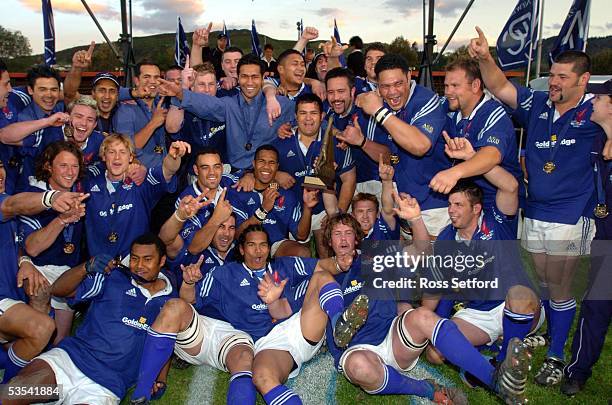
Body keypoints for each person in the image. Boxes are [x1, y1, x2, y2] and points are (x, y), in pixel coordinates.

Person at [469, 27, 603, 385]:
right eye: (553, 74)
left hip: (570, 213)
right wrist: (484, 57)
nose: (554, 82)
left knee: (559, 285)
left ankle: (557, 357)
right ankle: (544, 333)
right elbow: (500, 87)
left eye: (562, 77)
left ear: (583, 80)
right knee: (543, 281)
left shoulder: (596, 110)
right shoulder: (540, 103)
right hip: (536, 209)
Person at [129, 224, 364, 404]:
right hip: (264, 345)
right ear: (241, 249)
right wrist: (189, 283)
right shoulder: (222, 275)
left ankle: (338, 323)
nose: (258, 250)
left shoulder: (284, 266)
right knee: (262, 378)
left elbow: (323, 266)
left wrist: (340, 263)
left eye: (263, 244)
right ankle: (141, 394)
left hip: (294, 328)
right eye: (251, 245)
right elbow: (189, 301)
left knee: (322, 276)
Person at [323, 211, 532, 404]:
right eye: (337, 234)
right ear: (329, 241)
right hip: (356, 348)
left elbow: (421, 251)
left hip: (392, 338)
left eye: (348, 233)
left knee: (422, 316)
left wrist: (415, 218)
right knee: (360, 367)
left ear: (356, 238)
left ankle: (496, 382)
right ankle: (426, 388)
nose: (343, 239)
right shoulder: (321, 272)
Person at [5, 234, 177, 405]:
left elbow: (165, 342)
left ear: (161, 261)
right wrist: (86, 267)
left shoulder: (171, 303)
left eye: (147, 259)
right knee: (13, 393)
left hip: (104, 387)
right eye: (134, 258)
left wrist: (160, 380)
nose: (139, 266)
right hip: (67, 363)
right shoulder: (113, 277)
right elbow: (58, 290)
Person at [0, 172, 86, 384]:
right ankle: (8, 388)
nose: (1, 174)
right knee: (42, 327)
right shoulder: (6, 204)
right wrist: (51, 198)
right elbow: (12, 205)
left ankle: (12, 373)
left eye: (1, 166)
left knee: (40, 294)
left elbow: (17, 245)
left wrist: (25, 262)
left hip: (11, 293)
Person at [356, 54, 451, 237]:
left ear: (409, 77)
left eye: (398, 84)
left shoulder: (425, 100)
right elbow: (392, 153)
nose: (392, 92)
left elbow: (420, 145)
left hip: (433, 208)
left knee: (434, 264)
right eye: (385, 86)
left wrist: (379, 111)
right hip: (405, 206)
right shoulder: (386, 107)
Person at [158, 54, 295, 172]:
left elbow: (304, 127)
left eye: (255, 77)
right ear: (238, 77)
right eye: (244, 76)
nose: (249, 82)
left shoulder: (282, 104)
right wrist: (179, 92)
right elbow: (205, 104)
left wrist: (287, 129)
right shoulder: (228, 104)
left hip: (268, 174)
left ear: (263, 78)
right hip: (233, 177)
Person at [561, 79, 612, 396]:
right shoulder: (595, 139)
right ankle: (577, 372)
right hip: (605, 244)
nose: (592, 101)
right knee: (595, 307)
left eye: (599, 97)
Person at [433, 58, 523, 211]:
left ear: (475, 86)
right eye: (446, 86)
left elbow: (491, 155)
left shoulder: (493, 113)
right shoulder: (451, 109)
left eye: (455, 86)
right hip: (466, 202)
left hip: (497, 202)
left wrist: (454, 173)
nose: (448, 92)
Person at [19, 141, 86, 344]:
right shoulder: (33, 196)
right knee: (39, 327)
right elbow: (32, 247)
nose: (70, 172)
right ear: (49, 166)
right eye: (63, 166)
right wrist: (62, 220)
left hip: (67, 272)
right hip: (38, 268)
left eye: (75, 166)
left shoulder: (82, 193)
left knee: (60, 338)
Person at [82, 134, 188, 259]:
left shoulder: (140, 181)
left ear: (131, 157)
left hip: (135, 265)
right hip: (99, 267)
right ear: (104, 157)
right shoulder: (89, 184)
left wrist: (173, 156)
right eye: (111, 152)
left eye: (122, 152)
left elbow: (167, 171)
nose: (117, 157)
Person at [227, 145, 317, 258]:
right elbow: (237, 234)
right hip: (247, 246)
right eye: (262, 161)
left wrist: (307, 208)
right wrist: (263, 210)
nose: (266, 167)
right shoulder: (240, 191)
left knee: (303, 253)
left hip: (276, 245)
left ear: (277, 166)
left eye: (272, 162)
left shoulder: (287, 195)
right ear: (254, 164)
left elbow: (301, 236)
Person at [0, 65, 67, 192]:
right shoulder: (22, 116)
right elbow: (5, 136)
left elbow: (70, 94)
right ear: (30, 90)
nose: (49, 95)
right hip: (21, 189)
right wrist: (47, 122)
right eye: (42, 89)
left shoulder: (59, 109)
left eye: (54, 89)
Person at [166, 62, 228, 165]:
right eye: (201, 84)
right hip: (191, 171)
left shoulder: (224, 105)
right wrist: (184, 86)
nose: (207, 90)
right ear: (192, 87)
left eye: (211, 84)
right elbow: (172, 128)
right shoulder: (182, 108)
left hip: (223, 170)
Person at [114, 60, 168, 169]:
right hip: (139, 176)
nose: (152, 81)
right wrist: (153, 123)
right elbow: (127, 149)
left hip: (164, 173)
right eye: (147, 77)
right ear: (137, 81)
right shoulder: (126, 110)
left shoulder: (162, 104)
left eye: (156, 77)